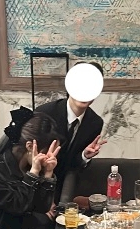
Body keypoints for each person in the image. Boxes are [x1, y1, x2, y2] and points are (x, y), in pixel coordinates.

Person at [0, 109, 62, 229]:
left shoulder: (34, 165)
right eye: (46, 151)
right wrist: (33, 174)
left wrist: (48, 174)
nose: (48, 156)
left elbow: (42, 207)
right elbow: (17, 206)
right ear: (30, 146)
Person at [35, 61, 106, 202]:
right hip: (36, 186)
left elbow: (72, 165)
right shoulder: (44, 113)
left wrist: (84, 156)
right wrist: (45, 200)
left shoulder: (95, 122)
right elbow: (28, 160)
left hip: (66, 191)